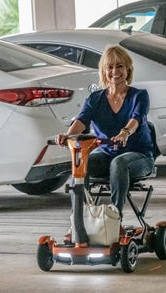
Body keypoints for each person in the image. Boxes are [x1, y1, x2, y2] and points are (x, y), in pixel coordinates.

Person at [56, 45, 154, 222]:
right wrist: (68, 136)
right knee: (81, 164)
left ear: (128, 69)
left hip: (139, 156)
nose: (115, 71)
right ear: (103, 71)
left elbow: (137, 119)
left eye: (120, 66)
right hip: (107, 155)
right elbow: (81, 120)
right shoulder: (95, 99)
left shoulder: (140, 96)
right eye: (110, 67)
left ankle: (115, 218)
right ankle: (80, 216)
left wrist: (125, 132)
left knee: (119, 163)